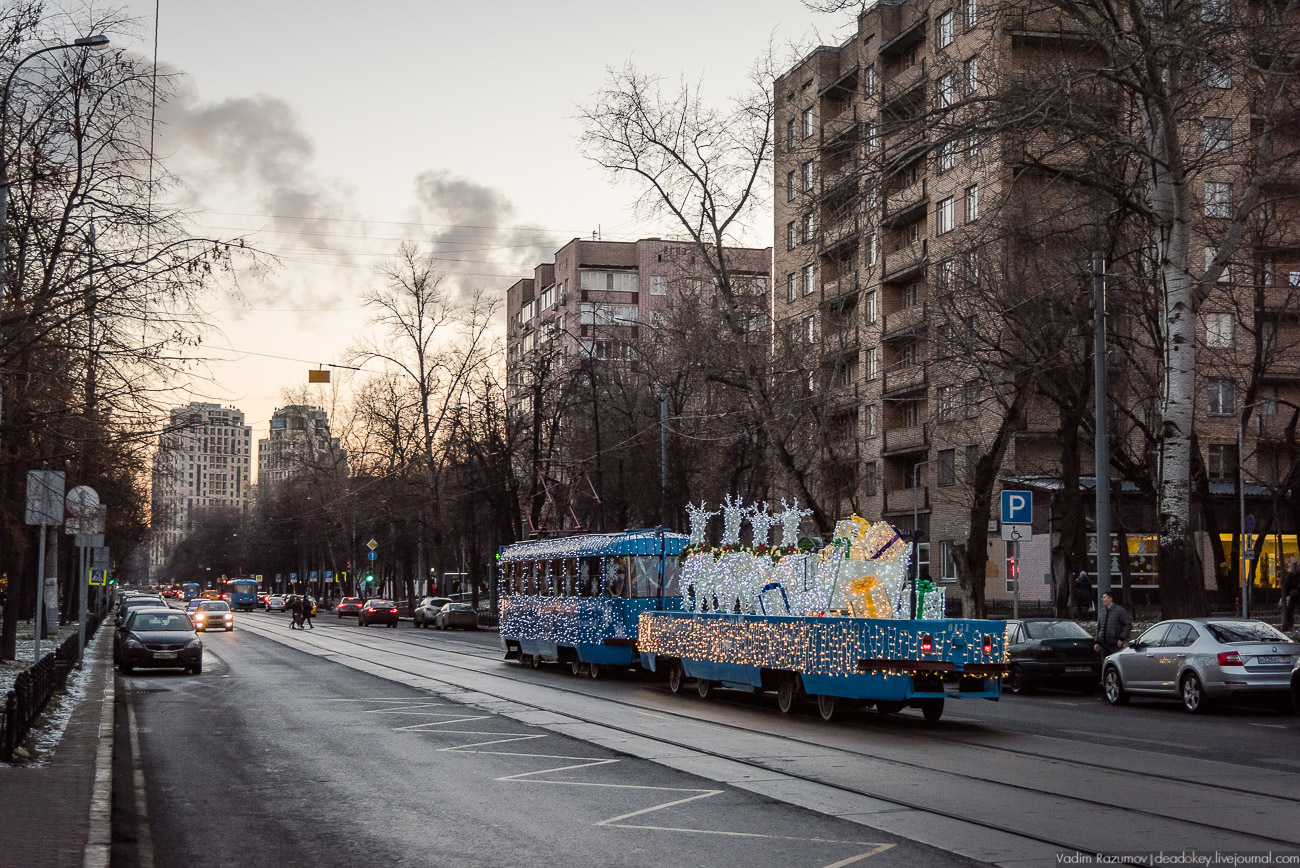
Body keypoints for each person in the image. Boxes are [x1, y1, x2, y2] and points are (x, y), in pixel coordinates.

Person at [1093, 592, 1132, 659]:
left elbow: (1127, 625)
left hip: (1115, 645)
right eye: (1102, 597)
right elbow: (1098, 627)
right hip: (1103, 646)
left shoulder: (1120, 611)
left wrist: (1121, 638)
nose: (1102, 599)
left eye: (1104, 597)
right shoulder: (1102, 612)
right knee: (1105, 664)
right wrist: (1097, 642)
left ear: (1110, 599)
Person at [1282, 560, 1300, 632]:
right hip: (1292, 597)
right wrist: (1288, 594)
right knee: (1290, 611)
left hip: (1298, 596)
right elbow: (1286, 586)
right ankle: (1289, 624)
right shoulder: (1291, 576)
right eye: (1298, 566)